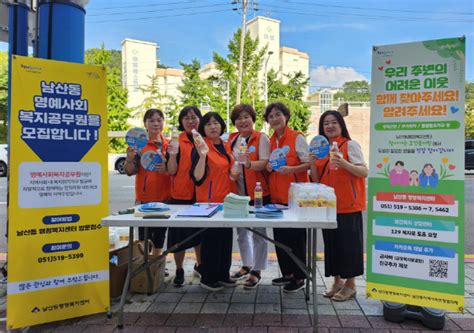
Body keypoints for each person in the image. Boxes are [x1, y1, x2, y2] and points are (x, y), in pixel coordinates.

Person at [309, 110, 367, 302]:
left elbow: (364, 171)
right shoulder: (321, 150)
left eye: (334, 122)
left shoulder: (349, 145)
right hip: (328, 206)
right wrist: (312, 164)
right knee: (332, 246)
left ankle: (351, 285)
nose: (330, 126)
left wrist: (343, 163)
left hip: (349, 205)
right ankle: (337, 282)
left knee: (349, 247)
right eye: (326, 123)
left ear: (341, 124)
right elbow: (317, 181)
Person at [265, 102, 310, 293]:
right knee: (281, 239)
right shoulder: (271, 140)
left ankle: (300, 277)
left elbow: (309, 164)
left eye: (278, 115)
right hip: (276, 199)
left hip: (295, 199)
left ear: (286, 117)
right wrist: (268, 167)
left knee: (296, 240)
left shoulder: (297, 138)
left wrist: (292, 169)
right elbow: (271, 164)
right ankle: (288, 274)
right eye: (271, 116)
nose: (275, 119)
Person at [190, 112, 237, 291]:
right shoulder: (201, 147)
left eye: (216, 123)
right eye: (208, 124)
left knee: (225, 240)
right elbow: (197, 177)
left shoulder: (225, 146)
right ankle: (208, 278)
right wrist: (202, 156)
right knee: (211, 241)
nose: (213, 126)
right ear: (203, 128)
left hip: (227, 201)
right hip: (208, 203)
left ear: (221, 126)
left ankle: (223, 274)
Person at [227, 104, 271, 289]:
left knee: (259, 233)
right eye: (238, 118)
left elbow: (266, 163)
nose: (242, 121)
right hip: (238, 193)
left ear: (253, 120)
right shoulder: (232, 139)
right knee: (242, 232)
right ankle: (246, 264)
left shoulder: (261, 138)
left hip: (259, 192)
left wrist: (249, 164)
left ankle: (257, 270)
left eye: (246, 117)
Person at [124, 108, 170, 256]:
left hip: (166, 198)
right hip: (145, 199)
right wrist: (130, 158)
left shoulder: (169, 145)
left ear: (163, 122)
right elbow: (129, 171)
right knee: (144, 236)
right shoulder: (138, 145)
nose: (156, 124)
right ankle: (145, 267)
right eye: (151, 120)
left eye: (159, 120)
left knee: (160, 236)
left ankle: (156, 266)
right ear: (145, 124)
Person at [166, 106, 203, 287]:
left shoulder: (203, 139)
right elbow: (171, 170)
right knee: (178, 238)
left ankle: (200, 265)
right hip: (180, 194)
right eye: (187, 118)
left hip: (201, 195)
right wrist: (172, 154)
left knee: (199, 234)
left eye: (194, 117)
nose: (191, 121)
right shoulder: (176, 141)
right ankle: (179, 269)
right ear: (181, 122)